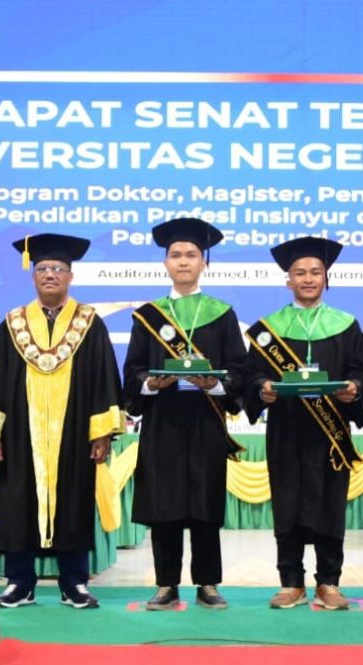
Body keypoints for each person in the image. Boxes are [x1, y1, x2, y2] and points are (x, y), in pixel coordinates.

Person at [0, 233, 125, 610]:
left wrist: (102, 433)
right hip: (20, 435)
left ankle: (73, 582)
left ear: (70, 276)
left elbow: (103, 379)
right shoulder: (13, 324)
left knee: (73, 502)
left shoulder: (89, 324)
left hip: (74, 432)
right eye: (42, 268)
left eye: (57, 269)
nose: (49, 275)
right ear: (32, 276)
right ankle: (19, 583)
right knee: (16, 501)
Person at [245, 237, 363, 611]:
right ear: (288, 281)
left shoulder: (345, 325)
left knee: (329, 506)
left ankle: (329, 582)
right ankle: (291, 582)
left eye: (315, 272)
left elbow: (362, 373)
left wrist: (355, 388)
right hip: (285, 430)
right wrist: (263, 390)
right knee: (287, 503)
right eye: (299, 273)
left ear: (326, 278)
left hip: (329, 433)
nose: (307, 279)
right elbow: (252, 376)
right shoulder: (269, 329)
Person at [123, 217, 246, 611]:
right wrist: (150, 384)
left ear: (203, 263)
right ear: (165, 263)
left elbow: (238, 370)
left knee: (206, 506)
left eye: (191, 255)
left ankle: (208, 583)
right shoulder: (148, 315)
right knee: (166, 506)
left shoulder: (222, 313)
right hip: (163, 422)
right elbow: (133, 370)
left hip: (207, 420)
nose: (183, 261)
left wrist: (215, 384)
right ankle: (165, 585)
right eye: (175, 255)